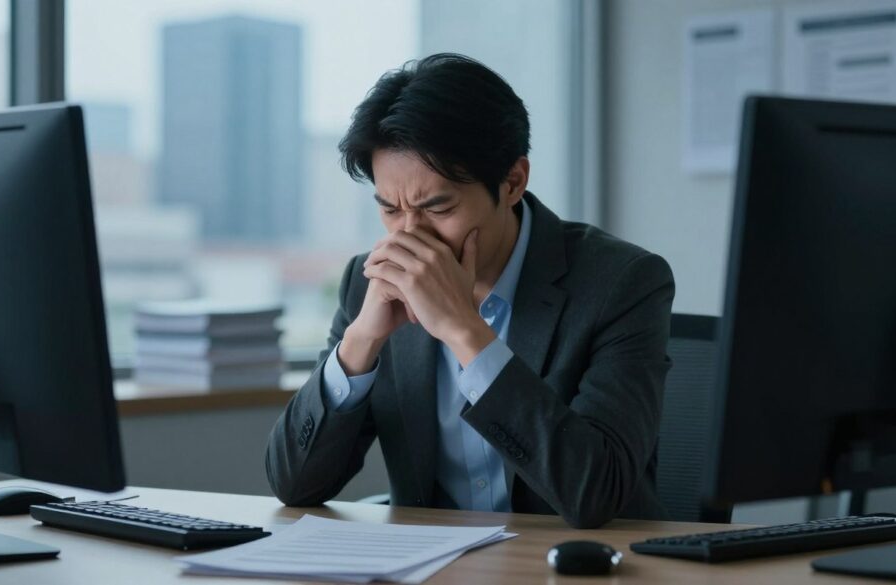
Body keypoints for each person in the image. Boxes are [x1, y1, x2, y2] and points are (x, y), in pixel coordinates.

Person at [265, 53, 674, 528]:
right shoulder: (369, 283)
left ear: (513, 182)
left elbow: (596, 492)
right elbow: (294, 486)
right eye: (390, 210)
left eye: (438, 207)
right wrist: (360, 342)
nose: (412, 237)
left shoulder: (622, 283)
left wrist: (464, 330)